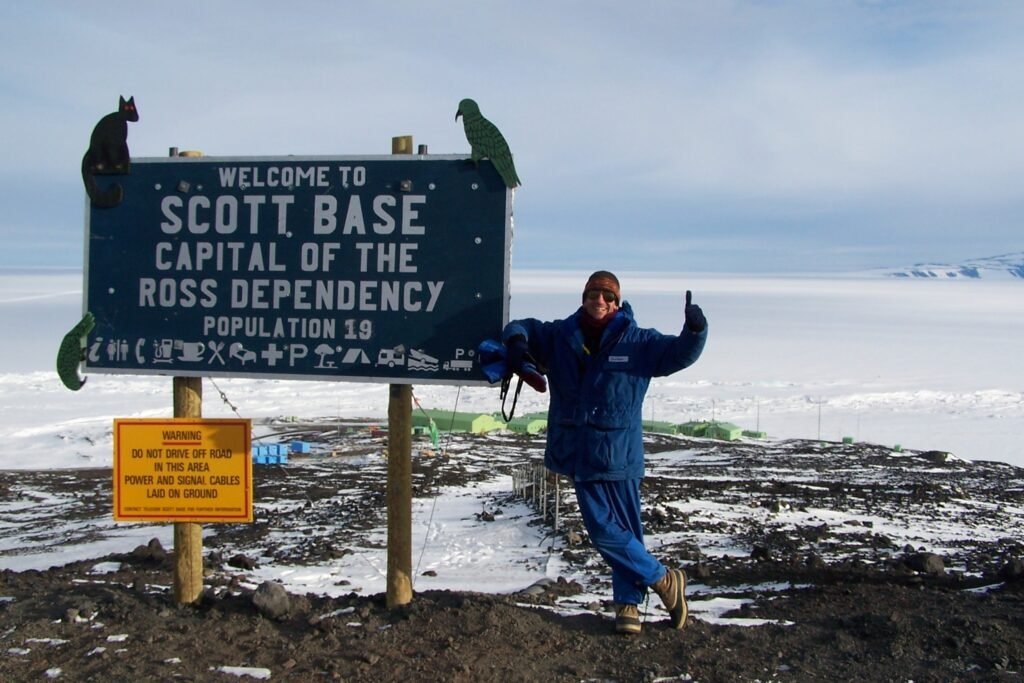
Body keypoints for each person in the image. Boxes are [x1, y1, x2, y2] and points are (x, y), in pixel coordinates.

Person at [500, 270, 707, 634]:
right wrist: (517, 343)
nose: (600, 300)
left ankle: (657, 584)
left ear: (617, 301)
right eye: (593, 293)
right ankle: (631, 603)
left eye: (607, 296)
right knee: (611, 530)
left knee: (615, 531)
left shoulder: (638, 342)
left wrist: (695, 331)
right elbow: (521, 326)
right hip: (581, 450)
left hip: (619, 451)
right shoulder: (561, 336)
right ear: (584, 297)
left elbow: (678, 354)